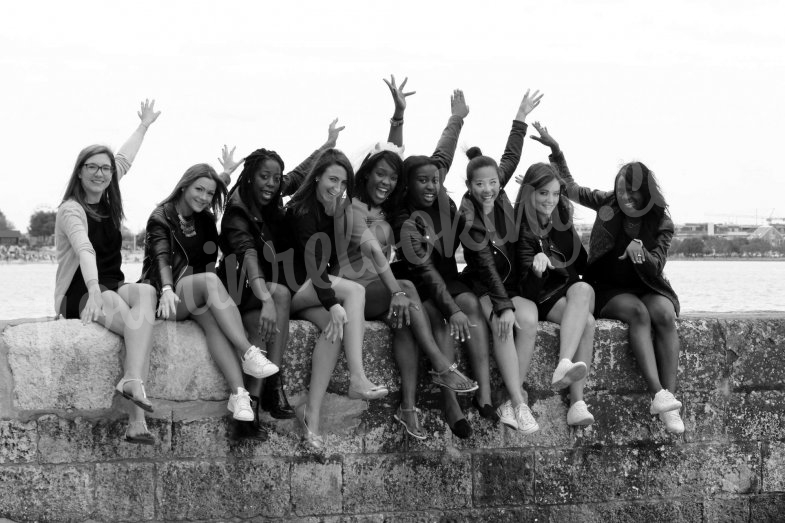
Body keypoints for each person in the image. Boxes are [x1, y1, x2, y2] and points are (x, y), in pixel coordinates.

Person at [336, 76, 479, 440]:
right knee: (406, 290)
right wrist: (396, 289)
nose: (385, 181)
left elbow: (415, 159)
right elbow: (369, 248)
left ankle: (408, 409)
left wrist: (407, 116)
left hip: (377, 290)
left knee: (404, 319)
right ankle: (442, 364)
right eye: (378, 175)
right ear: (365, 174)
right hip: (353, 288)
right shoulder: (350, 206)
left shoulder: (390, 205)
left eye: (390, 178)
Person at [526, 122, 683, 433]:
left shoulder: (661, 222)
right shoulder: (607, 202)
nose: (624, 196)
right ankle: (657, 393)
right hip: (609, 287)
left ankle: (669, 399)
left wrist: (642, 255)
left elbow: (657, 263)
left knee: (664, 315)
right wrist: (555, 150)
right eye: (621, 189)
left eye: (631, 191)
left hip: (647, 283)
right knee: (638, 314)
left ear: (645, 192)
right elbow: (569, 186)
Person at [217, 121, 345, 427]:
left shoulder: (272, 195)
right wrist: (266, 298)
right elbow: (248, 255)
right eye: (264, 177)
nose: (271, 183)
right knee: (280, 295)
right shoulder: (237, 210)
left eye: (275, 178)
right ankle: (274, 387)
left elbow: (300, 174)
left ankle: (267, 393)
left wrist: (326, 145)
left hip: (266, 281)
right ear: (249, 177)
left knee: (283, 294)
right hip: (238, 285)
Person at [140, 161, 279, 434]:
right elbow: (161, 257)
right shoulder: (161, 216)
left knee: (214, 323)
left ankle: (239, 396)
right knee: (212, 280)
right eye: (198, 190)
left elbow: (207, 189)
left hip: (196, 295)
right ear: (183, 185)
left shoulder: (203, 218)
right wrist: (166, 289)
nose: (203, 197)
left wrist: (223, 174)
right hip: (166, 296)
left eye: (208, 193)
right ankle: (248, 352)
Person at [54, 99, 161, 444]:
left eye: (105, 168)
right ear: (80, 171)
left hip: (112, 283)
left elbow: (125, 159)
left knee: (146, 292)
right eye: (92, 167)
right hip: (80, 292)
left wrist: (144, 125)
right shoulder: (71, 209)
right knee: (137, 328)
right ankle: (137, 421)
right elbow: (84, 249)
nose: (100, 173)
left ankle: (131, 380)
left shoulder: (109, 194)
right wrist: (96, 291)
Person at [394, 89, 494, 439]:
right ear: (408, 183)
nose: (431, 185)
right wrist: (450, 309)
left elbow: (444, 150)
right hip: (419, 279)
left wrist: (457, 117)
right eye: (423, 180)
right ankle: (449, 403)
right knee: (441, 314)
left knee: (470, 303)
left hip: (448, 276)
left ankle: (483, 393)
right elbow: (422, 268)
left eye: (435, 180)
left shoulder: (437, 190)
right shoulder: (403, 214)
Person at [285, 147, 388, 450]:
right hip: (293, 289)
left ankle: (311, 414)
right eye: (332, 179)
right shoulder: (301, 212)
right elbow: (315, 267)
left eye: (343, 183)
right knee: (355, 291)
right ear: (317, 176)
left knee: (334, 330)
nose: (337, 188)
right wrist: (332, 303)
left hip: (313, 292)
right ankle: (357, 377)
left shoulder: (335, 212)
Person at [459, 89, 544, 434]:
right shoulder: (467, 216)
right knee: (505, 324)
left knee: (530, 317)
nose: (488, 189)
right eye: (480, 184)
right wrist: (501, 305)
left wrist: (520, 116)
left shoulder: (501, 189)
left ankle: (510, 400)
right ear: (469, 185)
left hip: (509, 286)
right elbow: (484, 264)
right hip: (484, 284)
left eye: (493, 182)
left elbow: (511, 153)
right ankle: (519, 403)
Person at [513, 139, 597, 427]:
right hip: (541, 295)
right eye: (543, 193)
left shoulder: (559, 218)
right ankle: (576, 401)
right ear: (529, 193)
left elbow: (582, 262)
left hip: (566, 291)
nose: (550, 200)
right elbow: (527, 290)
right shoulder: (520, 227)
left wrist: (557, 151)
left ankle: (571, 384)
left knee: (585, 292)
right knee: (586, 322)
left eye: (555, 194)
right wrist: (537, 267)